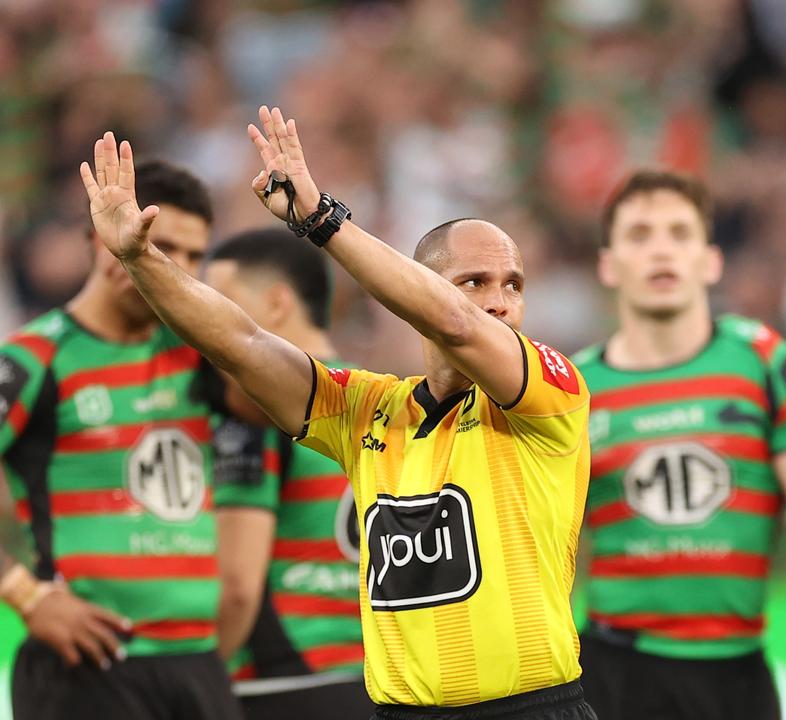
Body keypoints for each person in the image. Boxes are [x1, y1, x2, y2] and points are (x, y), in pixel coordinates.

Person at [79, 110, 595, 720]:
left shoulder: (550, 395)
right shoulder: (369, 409)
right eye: (475, 281)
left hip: (530, 709)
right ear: (416, 293)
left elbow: (458, 326)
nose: (500, 303)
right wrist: (142, 263)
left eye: (514, 284)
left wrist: (322, 218)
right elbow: (242, 344)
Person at [573, 169, 786, 720]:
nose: (662, 250)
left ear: (710, 260)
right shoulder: (574, 391)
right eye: (639, 235)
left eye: (680, 234)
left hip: (735, 674)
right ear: (608, 265)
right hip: (612, 672)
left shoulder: (764, 363)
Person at [0, 160, 242, 719]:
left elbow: (285, 400)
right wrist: (25, 595)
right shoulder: (34, 359)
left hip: (198, 662)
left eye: (192, 256)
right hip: (86, 665)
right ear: (100, 238)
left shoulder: (202, 357)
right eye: (161, 245)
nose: (175, 266)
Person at [204, 228, 372, 719]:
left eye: (220, 302)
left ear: (277, 304)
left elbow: (236, 588)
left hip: (278, 686)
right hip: (375, 682)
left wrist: (190, 684)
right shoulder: (381, 401)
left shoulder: (260, 412)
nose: (203, 321)